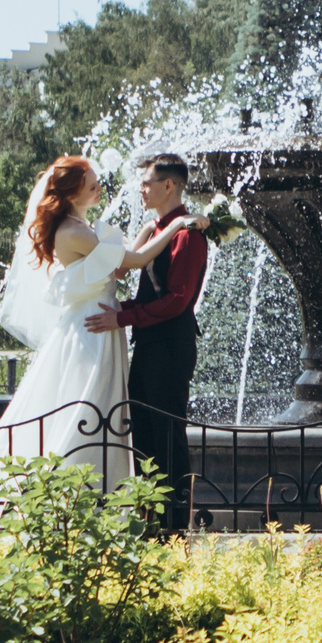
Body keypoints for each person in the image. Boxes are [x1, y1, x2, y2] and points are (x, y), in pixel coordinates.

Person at [0, 155, 201, 507]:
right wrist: (174, 226)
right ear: (74, 191)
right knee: (88, 410)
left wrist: (159, 227)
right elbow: (131, 263)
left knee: (109, 414)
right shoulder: (74, 231)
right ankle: (64, 497)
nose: (100, 188)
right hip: (94, 329)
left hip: (105, 323)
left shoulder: (80, 224)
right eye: (92, 184)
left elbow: (120, 268)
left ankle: (128, 503)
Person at [86, 152, 210, 528]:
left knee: (167, 434)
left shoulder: (188, 235)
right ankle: (153, 519)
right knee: (145, 431)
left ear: (168, 185)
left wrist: (121, 317)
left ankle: (174, 525)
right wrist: (117, 308)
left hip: (171, 345)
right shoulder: (159, 230)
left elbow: (177, 300)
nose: (140, 189)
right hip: (152, 343)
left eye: (146, 182)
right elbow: (148, 294)